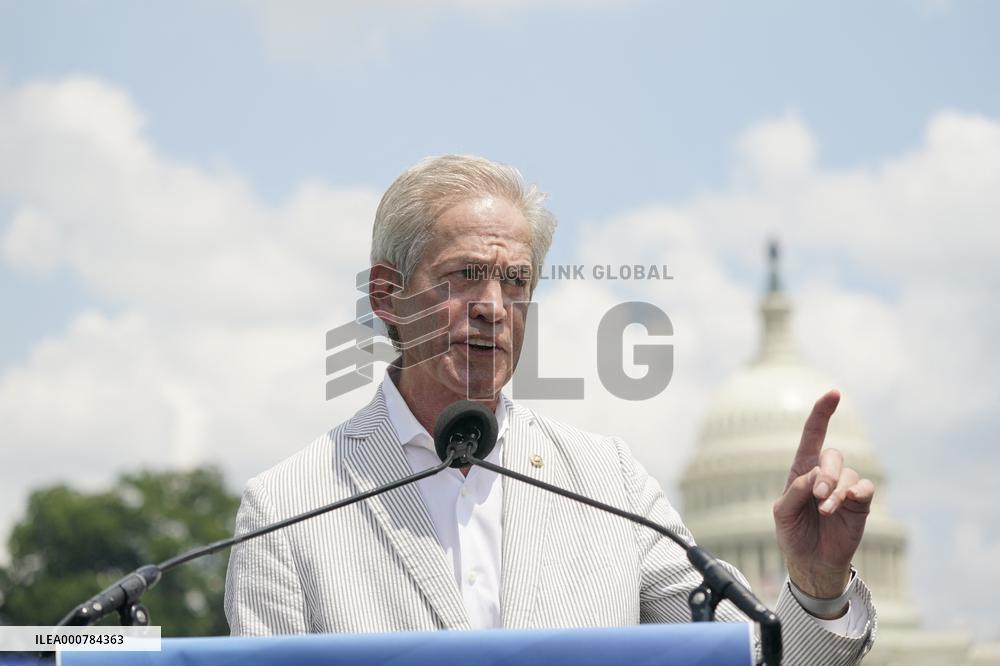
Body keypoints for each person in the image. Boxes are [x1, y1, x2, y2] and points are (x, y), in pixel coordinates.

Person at [224, 155, 877, 665]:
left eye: (515, 281)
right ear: (387, 295)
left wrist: (817, 584)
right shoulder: (285, 512)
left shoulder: (607, 481)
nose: (492, 305)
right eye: (464, 274)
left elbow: (765, 662)